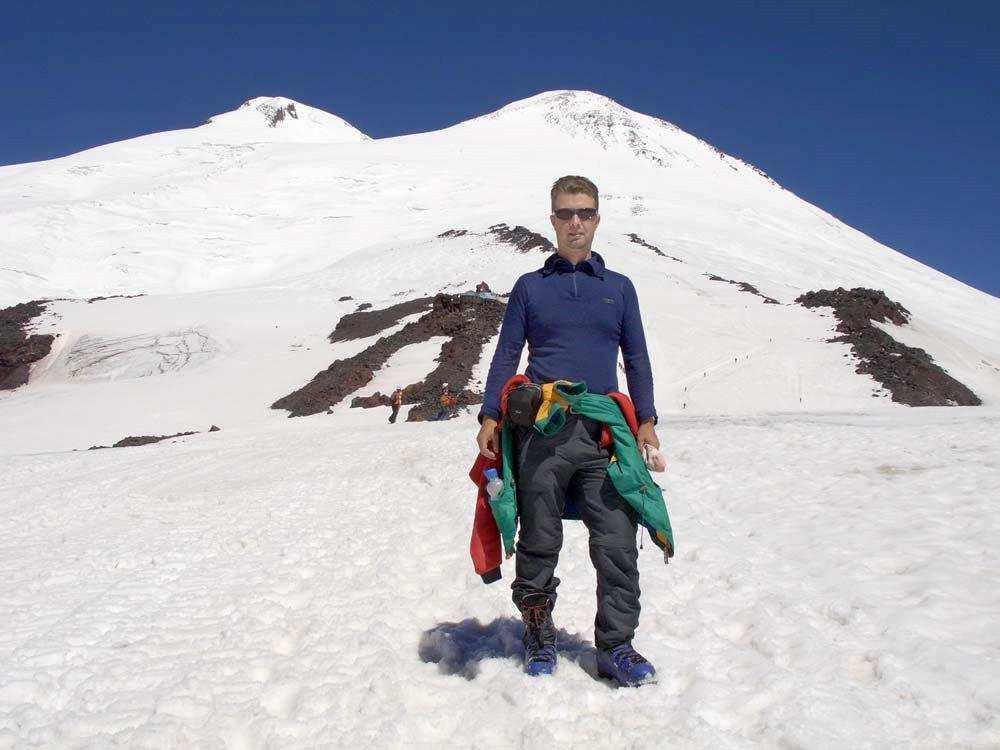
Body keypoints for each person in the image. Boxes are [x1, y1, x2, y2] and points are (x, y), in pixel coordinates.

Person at [475, 175, 660, 686]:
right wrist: (491, 415)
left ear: (598, 220)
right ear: (552, 221)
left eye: (584, 212)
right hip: (542, 429)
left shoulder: (619, 289)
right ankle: (538, 630)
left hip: (602, 432)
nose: (574, 222)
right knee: (539, 535)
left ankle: (616, 646)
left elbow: (637, 358)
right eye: (564, 213)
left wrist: (645, 421)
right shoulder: (530, 288)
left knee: (618, 539)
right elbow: (507, 353)